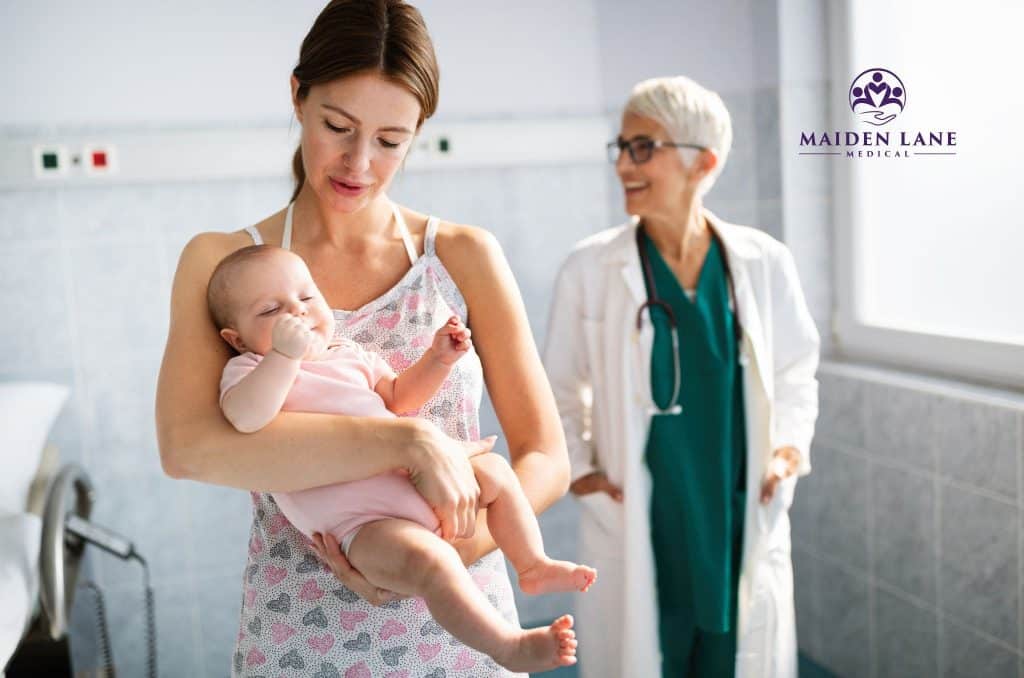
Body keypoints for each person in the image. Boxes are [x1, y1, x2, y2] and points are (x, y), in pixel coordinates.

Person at [155, 1, 571, 675]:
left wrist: (436, 559)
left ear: (418, 133)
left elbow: (545, 458)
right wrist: (405, 440)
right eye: (338, 126)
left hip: (460, 632)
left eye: (390, 140)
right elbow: (191, 450)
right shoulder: (222, 262)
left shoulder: (463, 255)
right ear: (297, 97)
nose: (359, 163)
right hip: (298, 627)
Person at [543, 75, 820, 678]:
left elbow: (798, 368)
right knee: (649, 649)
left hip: (736, 502)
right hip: (645, 509)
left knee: (735, 651)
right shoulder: (590, 268)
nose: (624, 164)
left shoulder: (763, 263)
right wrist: (583, 471)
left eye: (644, 147)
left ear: (704, 162)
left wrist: (788, 449)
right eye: (621, 147)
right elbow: (557, 387)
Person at [206, 244, 592, 672]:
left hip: (422, 485)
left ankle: (532, 564)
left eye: (307, 297)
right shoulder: (249, 370)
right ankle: (507, 646)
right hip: (363, 526)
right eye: (271, 310)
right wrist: (282, 356)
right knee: (431, 562)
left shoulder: (348, 354)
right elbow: (245, 418)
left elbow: (399, 397)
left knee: (496, 471)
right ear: (236, 338)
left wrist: (437, 359)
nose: (296, 313)